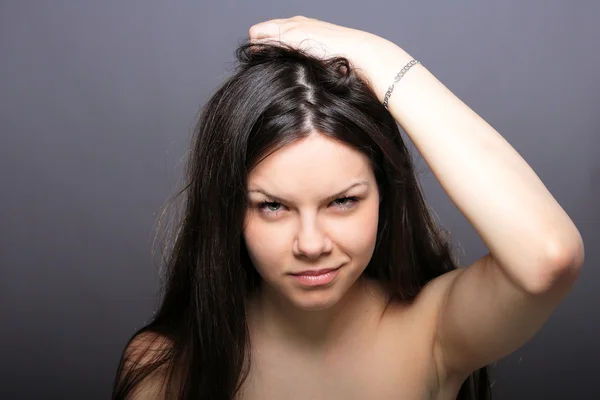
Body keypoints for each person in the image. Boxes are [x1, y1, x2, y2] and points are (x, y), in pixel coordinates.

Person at [112, 16, 585, 400]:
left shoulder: (431, 330)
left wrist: (383, 61)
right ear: (229, 210)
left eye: (343, 201)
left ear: (384, 196)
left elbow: (548, 257)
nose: (312, 244)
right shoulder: (164, 365)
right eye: (273, 206)